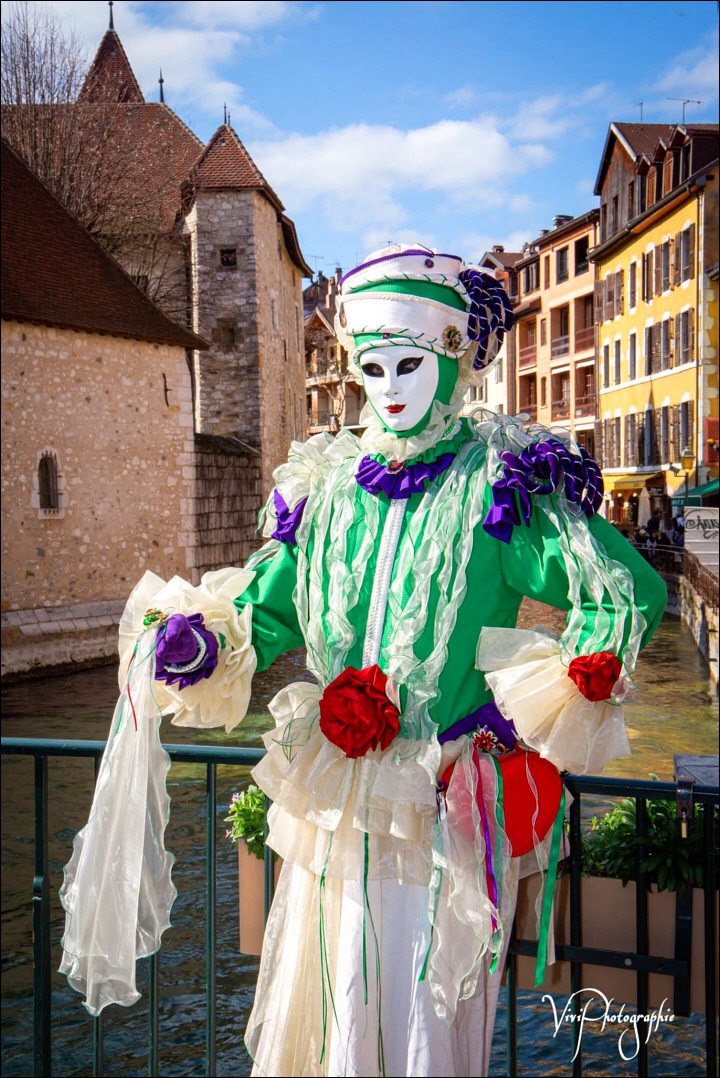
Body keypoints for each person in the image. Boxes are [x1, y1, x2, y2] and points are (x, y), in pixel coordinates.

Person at [59, 244, 667, 1077]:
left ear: (452, 360)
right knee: (332, 985)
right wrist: (204, 639)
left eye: (409, 363)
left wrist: (537, 696)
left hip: (441, 803)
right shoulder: (327, 486)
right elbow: (268, 608)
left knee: (418, 1001)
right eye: (371, 367)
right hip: (333, 804)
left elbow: (623, 588)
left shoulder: (499, 485)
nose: (388, 387)